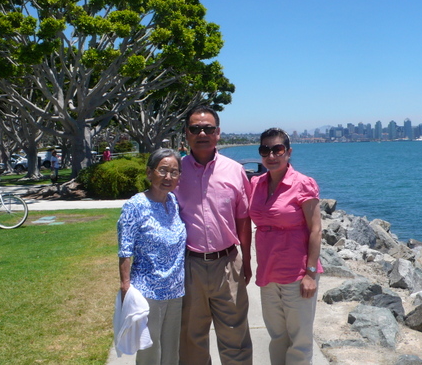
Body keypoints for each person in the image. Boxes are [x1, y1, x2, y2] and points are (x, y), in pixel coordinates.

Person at [174, 105, 253, 365]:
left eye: (208, 128)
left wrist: (247, 260)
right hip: (189, 266)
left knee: (235, 338)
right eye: (195, 128)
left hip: (227, 264)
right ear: (187, 133)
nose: (202, 133)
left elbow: (243, 219)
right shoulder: (176, 172)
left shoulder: (235, 170)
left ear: (218, 133)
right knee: (191, 341)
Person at [248, 128, 322, 365]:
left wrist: (310, 274)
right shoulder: (256, 184)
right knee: (278, 336)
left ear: (288, 152)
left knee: (299, 341)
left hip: (297, 274)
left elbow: (316, 230)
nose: (271, 155)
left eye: (277, 149)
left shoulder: (303, 184)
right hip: (268, 272)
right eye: (265, 150)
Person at [117, 148, 186, 364]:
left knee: (172, 351)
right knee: (150, 353)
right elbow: (125, 251)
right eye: (162, 170)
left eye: (174, 172)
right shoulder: (135, 205)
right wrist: (125, 287)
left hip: (175, 290)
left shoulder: (173, 202)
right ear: (149, 172)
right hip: (148, 292)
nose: (168, 177)